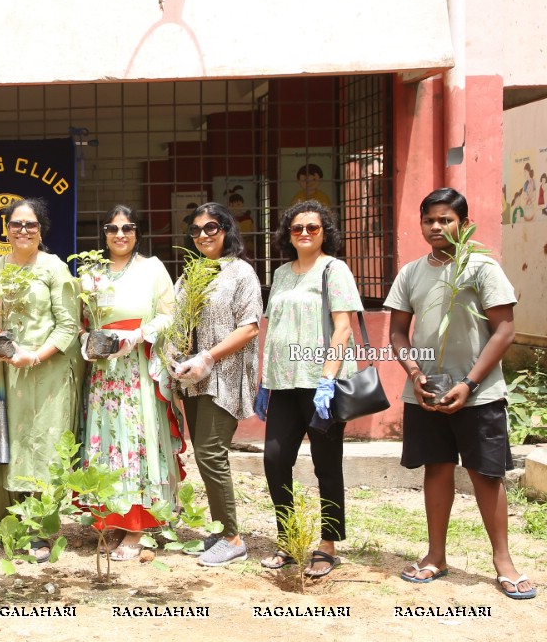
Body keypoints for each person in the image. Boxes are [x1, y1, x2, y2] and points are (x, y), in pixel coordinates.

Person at [386, 188, 534, 600]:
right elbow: (398, 332)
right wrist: (413, 371)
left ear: (463, 225)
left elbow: (505, 330)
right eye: (429, 219)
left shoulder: (482, 268)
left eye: (446, 219)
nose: (436, 227)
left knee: (487, 474)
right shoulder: (412, 273)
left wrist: (469, 383)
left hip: (479, 393)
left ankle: (503, 561)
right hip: (428, 393)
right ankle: (435, 556)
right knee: (436, 468)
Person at [256, 201, 361, 577]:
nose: (304, 233)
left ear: (324, 232)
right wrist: (264, 381)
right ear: (287, 233)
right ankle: (288, 540)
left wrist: (329, 378)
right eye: (297, 227)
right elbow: (274, 330)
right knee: (274, 460)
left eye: (312, 228)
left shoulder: (335, 270)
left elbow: (343, 328)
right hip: (283, 383)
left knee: (326, 465)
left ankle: (328, 544)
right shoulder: (281, 274)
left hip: (321, 384)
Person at [0, 198, 82, 562]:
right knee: (2, 443)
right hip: (2, 375)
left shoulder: (54, 268)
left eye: (31, 225)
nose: (22, 231)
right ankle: (2, 523)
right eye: (16, 224)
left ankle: (40, 530)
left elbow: (69, 325)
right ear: (5, 229)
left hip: (44, 373)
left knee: (42, 445)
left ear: (41, 230)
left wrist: (35, 356)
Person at [79, 205, 183, 561]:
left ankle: (138, 526)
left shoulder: (152, 268)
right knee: (107, 440)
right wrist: (88, 343)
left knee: (135, 439)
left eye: (128, 228)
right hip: (104, 374)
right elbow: (83, 321)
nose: (119, 234)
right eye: (112, 228)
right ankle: (111, 519)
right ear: (103, 233)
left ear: (138, 232)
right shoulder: (90, 273)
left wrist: (138, 335)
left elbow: (171, 316)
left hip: (137, 369)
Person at [172, 203, 262, 566]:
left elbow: (250, 325)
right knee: (205, 455)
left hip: (222, 378)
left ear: (227, 229)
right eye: (195, 230)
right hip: (192, 380)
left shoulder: (241, 273)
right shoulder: (191, 274)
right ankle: (221, 528)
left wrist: (208, 357)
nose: (203, 235)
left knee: (211, 454)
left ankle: (232, 537)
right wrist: (178, 357)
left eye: (211, 227)